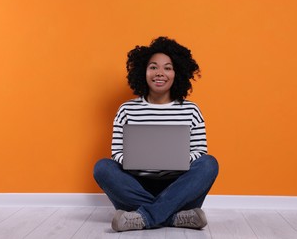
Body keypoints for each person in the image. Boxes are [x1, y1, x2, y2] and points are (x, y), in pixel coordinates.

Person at [93, 36, 219, 232]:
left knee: (209, 163)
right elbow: (116, 153)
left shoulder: (191, 110)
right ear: (143, 71)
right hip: (137, 185)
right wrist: (138, 162)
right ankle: (174, 216)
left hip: (179, 186)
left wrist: (177, 160)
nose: (160, 73)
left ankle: (144, 216)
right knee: (103, 167)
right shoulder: (127, 110)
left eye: (167, 68)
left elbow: (200, 151)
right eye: (153, 67)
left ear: (177, 73)